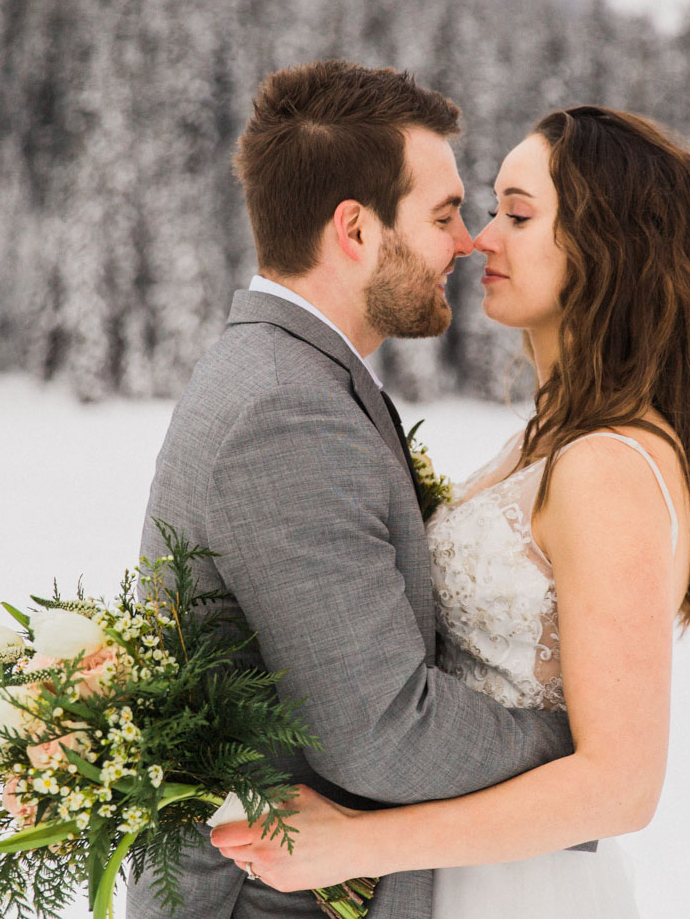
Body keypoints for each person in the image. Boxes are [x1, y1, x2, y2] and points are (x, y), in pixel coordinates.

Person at [209, 106, 690, 917]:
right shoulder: (546, 444)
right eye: (488, 210)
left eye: (517, 213)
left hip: (522, 887)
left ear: (609, 247)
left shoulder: (607, 466)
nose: (479, 239)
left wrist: (357, 843)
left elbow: (621, 785)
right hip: (460, 870)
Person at [129, 62, 585, 919]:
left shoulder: (297, 375)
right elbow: (384, 733)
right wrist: (581, 752)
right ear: (355, 230)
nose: (468, 240)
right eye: (444, 214)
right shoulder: (283, 409)